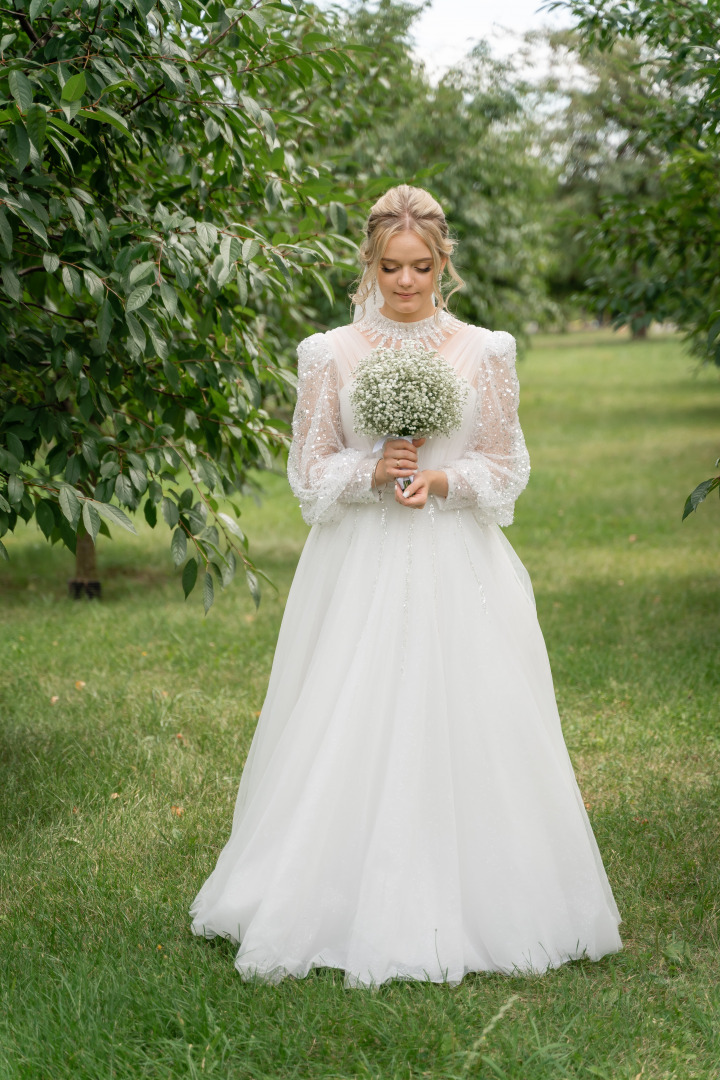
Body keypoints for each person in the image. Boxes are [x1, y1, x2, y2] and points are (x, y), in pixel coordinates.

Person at [190, 184, 622, 987]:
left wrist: (445, 480)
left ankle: (490, 896)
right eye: (392, 267)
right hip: (361, 565)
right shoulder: (330, 353)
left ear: (443, 263)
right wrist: (371, 468)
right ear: (371, 263)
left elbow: (507, 464)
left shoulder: (485, 351)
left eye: (422, 266)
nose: (407, 283)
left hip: (458, 564)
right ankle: (328, 889)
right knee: (349, 716)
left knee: (473, 719)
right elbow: (309, 473)